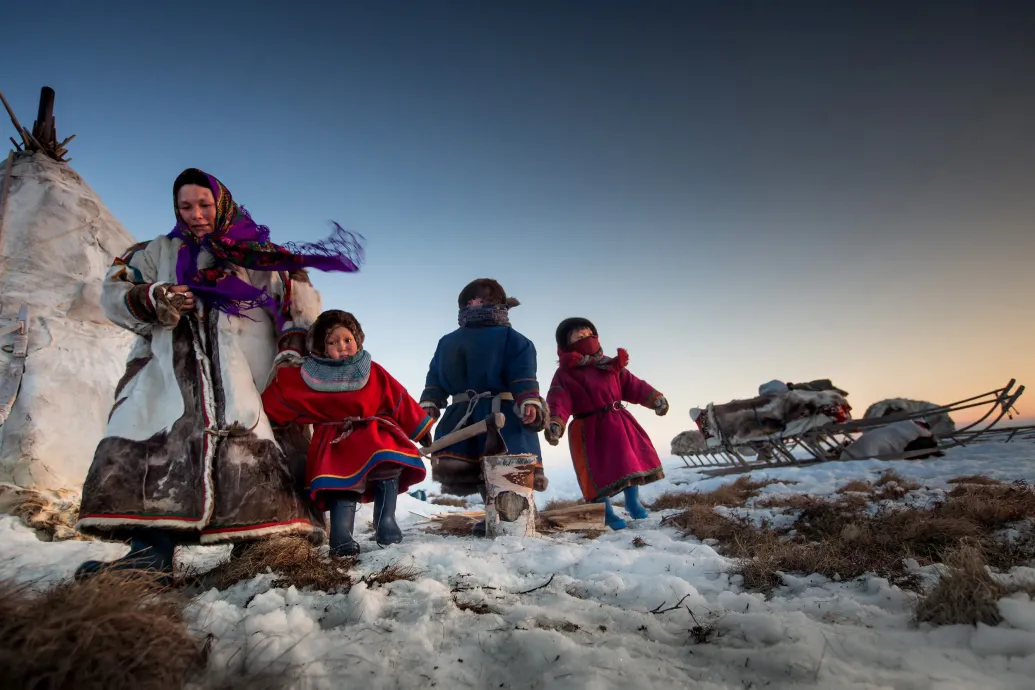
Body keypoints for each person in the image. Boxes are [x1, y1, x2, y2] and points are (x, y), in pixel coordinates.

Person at [74, 168, 364, 581]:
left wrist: (291, 354)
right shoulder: (153, 252)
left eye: (204, 205)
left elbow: (299, 308)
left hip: (250, 374)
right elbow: (115, 294)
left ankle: (263, 549)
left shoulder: (263, 258)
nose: (195, 214)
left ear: (221, 203)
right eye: (185, 206)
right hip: (171, 371)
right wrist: (160, 297)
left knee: (257, 453)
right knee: (154, 445)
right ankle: (150, 555)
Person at [262, 310, 433, 556]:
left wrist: (420, 427)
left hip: (372, 434)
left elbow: (397, 398)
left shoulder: (372, 370)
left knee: (389, 467)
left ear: (357, 340)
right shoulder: (309, 377)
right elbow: (286, 395)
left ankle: (385, 523)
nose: (341, 347)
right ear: (322, 348)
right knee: (341, 485)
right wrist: (265, 417)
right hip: (336, 443)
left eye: (347, 340)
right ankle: (341, 536)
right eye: (332, 342)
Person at [419, 279, 548, 536]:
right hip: (465, 414)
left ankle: (519, 517)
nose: (476, 305)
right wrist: (431, 401)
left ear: (499, 304)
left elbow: (524, 373)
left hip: (505, 413)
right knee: (477, 469)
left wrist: (529, 399)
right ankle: (494, 515)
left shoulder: (515, 339)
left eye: (484, 300)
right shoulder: (447, 342)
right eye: (470, 301)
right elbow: (435, 375)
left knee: (509, 466)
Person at [545, 317, 668, 530]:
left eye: (588, 334)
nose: (585, 338)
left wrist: (654, 398)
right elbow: (559, 399)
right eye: (578, 336)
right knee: (596, 473)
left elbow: (633, 385)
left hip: (618, 422)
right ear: (566, 344)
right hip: (588, 430)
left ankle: (632, 503)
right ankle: (607, 514)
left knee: (628, 462)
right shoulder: (565, 374)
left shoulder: (611, 364)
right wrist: (555, 422)